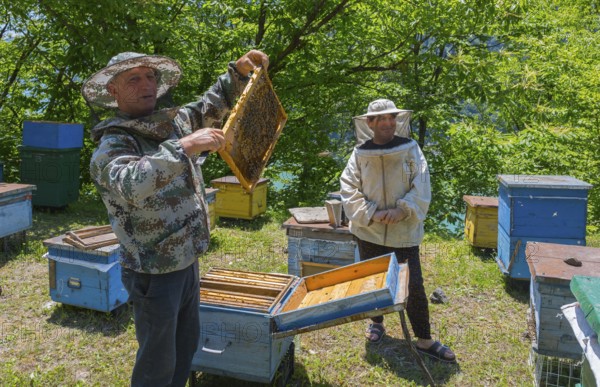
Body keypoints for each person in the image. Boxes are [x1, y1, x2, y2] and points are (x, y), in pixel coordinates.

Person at [82, 50, 269, 386]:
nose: (146, 84)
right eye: (134, 79)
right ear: (113, 91)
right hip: (153, 270)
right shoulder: (113, 144)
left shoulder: (173, 122)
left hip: (186, 259)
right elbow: (131, 183)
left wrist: (238, 72)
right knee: (157, 363)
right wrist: (183, 146)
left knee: (184, 349)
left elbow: (208, 106)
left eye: (150, 76)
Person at [340, 99, 456, 363]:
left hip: (403, 231)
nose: (387, 123)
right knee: (375, 282)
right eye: (380, 119)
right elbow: (348, 188)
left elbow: (422, 183)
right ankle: (377, 323)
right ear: (369, 123)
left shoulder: (410, 149)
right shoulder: (359, 153)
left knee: (413, 285)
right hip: (369, 231)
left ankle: (424, 339)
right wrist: (372, 212)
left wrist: (402, 210)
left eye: (391, 117)